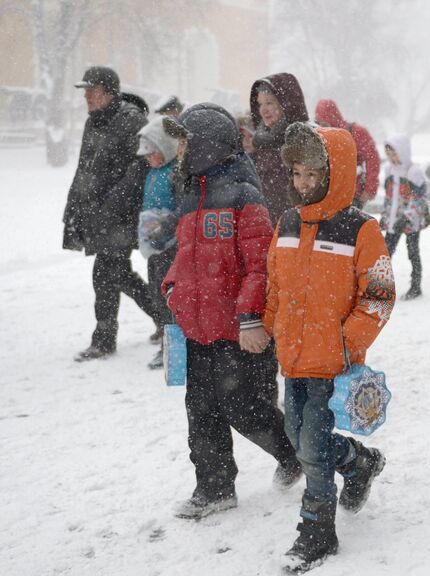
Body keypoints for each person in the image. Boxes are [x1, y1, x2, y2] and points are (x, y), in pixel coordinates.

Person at [160, 103, 302, 520]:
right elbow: (184, 257)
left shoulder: (244, 195)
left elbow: (260, 265)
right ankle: (214, 486)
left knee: (244, 406)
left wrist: (250, 316)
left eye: (185, 141)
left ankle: (292, 452)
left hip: (236, 329)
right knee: (200, 409)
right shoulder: (190, 194)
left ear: (207, 145)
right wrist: (172, 288)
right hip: (196, 328)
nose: (180, 149)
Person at [265, 122, 395, 572]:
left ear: (333, 173)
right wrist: (269, 326)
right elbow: (275, 285)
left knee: (313, 451)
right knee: (296, 435)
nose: (302, 185)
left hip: (333, 362)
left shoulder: (361, 229)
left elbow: (379, 295)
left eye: (312, 176)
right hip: (294, 357)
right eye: (296, 175)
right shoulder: (286, 222)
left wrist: (348, 341)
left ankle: (316, 532)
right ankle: (359, 462)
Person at [63, 66, 161, 361]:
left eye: (92, 92)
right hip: (98, 214)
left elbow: (139, 169)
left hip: (122, 216)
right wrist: (73, 208)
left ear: (109, 93)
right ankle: (162, 317)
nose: (87, 98)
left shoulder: (131, 120)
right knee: (117, 275)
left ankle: (104, 340)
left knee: (106, 274)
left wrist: (112, 204)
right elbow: (85, 170)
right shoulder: (93, 123)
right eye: (85, 93)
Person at [135, 116, 180, 369]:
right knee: (155, 292)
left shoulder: (174, 173)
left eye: (153, 153)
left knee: (169, 295)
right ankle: (165, 339)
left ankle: (173, 346)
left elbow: (180, 208)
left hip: (170, 245)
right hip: (153, 244)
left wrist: (167, 225)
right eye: (147, 154)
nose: (149, 158)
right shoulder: (152, 174)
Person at [249, 73, 309, 225]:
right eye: (260, 104)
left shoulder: (302, 138)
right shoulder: (261, 142)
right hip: (266, 225)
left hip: (296, 226)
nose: (263, 110)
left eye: (269, 103)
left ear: (286, 104)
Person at [380, 134, 430, 300]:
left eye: (394, 154)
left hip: (410, 223)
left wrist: (407, 217)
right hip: (393, 221)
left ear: (402, 152)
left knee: (413, 253)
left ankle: (416, 286)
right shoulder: (389, 170)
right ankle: (381, 287)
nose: (392, 158)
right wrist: (385, 217)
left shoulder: (413, 172)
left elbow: (418, 199)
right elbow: (389, 198)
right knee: (385, 253)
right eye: (389, 154)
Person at [315, 99, 381, 209]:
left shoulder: (356, 132)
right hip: (327, 195)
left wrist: (370, 189)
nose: (322, 128)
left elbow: (372, 158)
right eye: (318, 123)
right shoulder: (319, 136)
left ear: (333, 118)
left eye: (324, 123)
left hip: (352, 195)